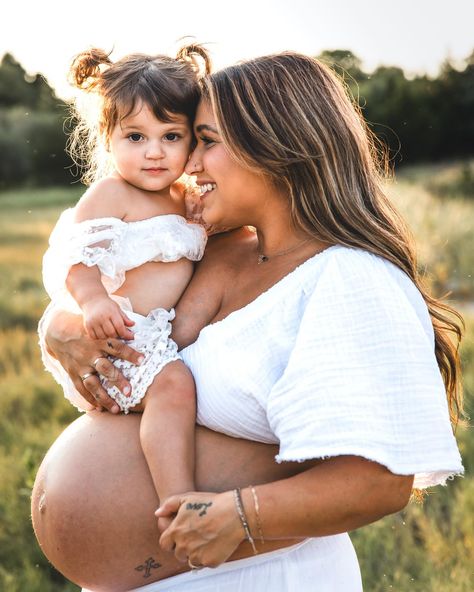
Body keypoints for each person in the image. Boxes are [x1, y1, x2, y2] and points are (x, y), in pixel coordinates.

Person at [33, 50, 464, 592]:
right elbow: (119, 298)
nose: (187, 162)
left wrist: (238, 516)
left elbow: (379, 481)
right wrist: (60, 329)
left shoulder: (349, 278)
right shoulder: (217, 251)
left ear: (276, 150)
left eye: (204, 141)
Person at [41, 45, 211, 518]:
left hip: (157, 334)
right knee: (174, 389)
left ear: (191, 140)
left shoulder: (186, 199)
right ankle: (177, 498)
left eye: (170, 136)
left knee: (176, 392)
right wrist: (93, 300)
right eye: (135, 136)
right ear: (108, 138)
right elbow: (77, 257)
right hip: (124, 336)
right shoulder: (111, 193)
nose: (154, 152)